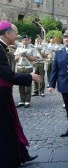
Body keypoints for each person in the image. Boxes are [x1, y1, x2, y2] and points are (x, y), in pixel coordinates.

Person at [0, 20, 40, 167]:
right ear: (7, 33)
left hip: (4, 94)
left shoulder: (3, 47)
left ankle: (20, 155)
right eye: (15, 33)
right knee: (6, 127)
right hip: (2, 96)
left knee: (11, 125)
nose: (17, 36)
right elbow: (7, 75)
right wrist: (30, 77)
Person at [14, 35, 38, 108]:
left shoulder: (32, 49)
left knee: (28, 84)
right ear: (22, 41)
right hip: (20, 67)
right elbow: (15, 59)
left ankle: (27, 101)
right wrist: (20, 55)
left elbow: (34, 59)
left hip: (28, 67)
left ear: (29, 41)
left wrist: (27, 55)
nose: (25, 41)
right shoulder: (18, 48)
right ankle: (22, 100)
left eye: (26, 40)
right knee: (21, 85)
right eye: (23, 40)